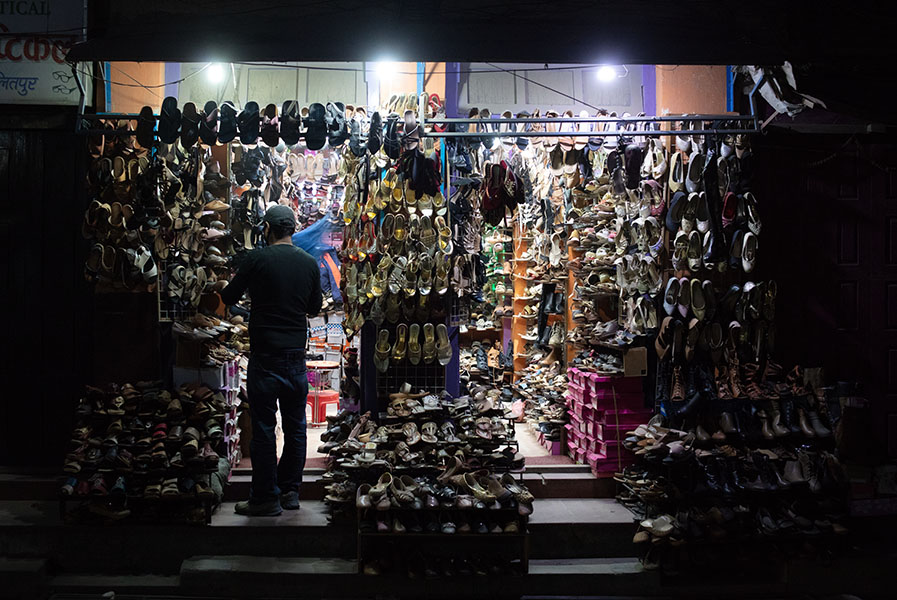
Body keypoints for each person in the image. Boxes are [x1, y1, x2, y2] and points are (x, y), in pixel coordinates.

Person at [216, 205, 323, 516]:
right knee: (296, 427)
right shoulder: (308, 262)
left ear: (267, 229)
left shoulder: (257, 259)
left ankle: (265, 498)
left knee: (264, 427)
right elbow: (314, 308)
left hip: (264, 357)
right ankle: (290, 492)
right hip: (295, 358)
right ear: (292, 229)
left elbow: (229, 297)